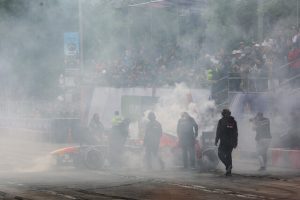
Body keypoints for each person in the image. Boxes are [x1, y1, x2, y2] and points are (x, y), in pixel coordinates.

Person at [215, 109, 238, 176]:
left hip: (224, 142)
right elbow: (236, 133)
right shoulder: (233, 121)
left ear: (223, 114)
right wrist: (235, 142)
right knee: (228, 155)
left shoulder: (221, 121)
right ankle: (229, 171)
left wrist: (216, 140)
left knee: (220, 154)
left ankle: (228, 166)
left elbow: (218, 131)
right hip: (231, 142)